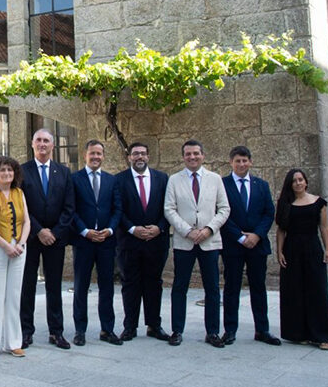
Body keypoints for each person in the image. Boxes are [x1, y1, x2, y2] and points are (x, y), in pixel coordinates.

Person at [164, 139, 230, 348]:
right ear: (183, 157)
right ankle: (177, 330)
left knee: (212, 288)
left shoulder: (215, 179)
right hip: (185, 242)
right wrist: (188, 231)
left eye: (196, 154)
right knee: (179, 287)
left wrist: (209, 229)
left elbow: (224, 209)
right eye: (188, 154)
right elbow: (169, 209)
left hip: (209, 242)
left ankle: (212, 332)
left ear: (203, 155)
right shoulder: (174, 180)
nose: (192, 157)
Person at [19, 129, 75, 349]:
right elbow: (21, 207)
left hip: (56, 240)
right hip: (31, 238)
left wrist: (54, 232)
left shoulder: (64, 172)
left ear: (53, 146)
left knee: (54, 286)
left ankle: (56, 332)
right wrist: (39, 230)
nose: (42, 144)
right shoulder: (22, 171)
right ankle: (26, 331)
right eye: (38, 140)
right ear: (32, 144)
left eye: (46, 141)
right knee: (28, 286)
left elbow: (69, 208)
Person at [219, 146, 281, 346]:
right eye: (237, 160)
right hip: (232, 245)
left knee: (258, 287)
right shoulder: (223, 184)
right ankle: (230, 330)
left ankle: (262, 329)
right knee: (231, 288)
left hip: (257, 244)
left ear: (251, 162)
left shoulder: (261, 185)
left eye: (245, 160)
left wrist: (256, 235)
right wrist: (239, 237)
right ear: (231, 163)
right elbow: (221, 212)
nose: (241, 164)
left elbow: (268, 213)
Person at [115, 142, 171, 343]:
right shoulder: (119, 180)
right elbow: (117, 210)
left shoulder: (162, 179)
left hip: (156, 241)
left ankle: (154, 325)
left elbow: (169, 208)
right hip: (129, 242)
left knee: (154, 283)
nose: (139, 157)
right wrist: (132, 229)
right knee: (130, 284)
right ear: (129, 157)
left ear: (148, 156)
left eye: (143, 153)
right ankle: (130, 327)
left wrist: (160, 227)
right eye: (135, 154)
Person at [275, 169, 328, 350]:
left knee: (317, 290)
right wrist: (279, 252)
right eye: (294, 181)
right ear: (290, 184)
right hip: (291, 249)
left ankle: (322, 336)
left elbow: (324, 227)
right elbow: (281, 230)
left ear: (306, 182)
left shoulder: (319, 203)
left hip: (312, 248)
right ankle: (297, 333)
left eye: (301, 180)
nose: (298, 183)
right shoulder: (285, 204)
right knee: (293, 290)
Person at [70, 140, 123, 346]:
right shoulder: (75, 179)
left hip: (106, 242)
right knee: (81, 286)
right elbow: (71, 209)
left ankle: (107, 329)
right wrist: (85, 231)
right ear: (85, 155)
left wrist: (109, 230)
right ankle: (80, 330)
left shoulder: (111, 180)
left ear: (103, 156)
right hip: (83, 241)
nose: (95, 157)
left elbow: (117, 209)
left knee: (107, 286)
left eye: (99, 154)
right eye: (92, 153)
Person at [0, 156, 31, 358]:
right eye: (3, 170)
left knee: (13, 295)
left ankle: (13, 342)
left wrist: (20, 244)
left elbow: (27, 222)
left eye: (10, 171)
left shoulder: (19, 193)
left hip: (18, 248)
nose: (7, 174)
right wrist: (5, 245)